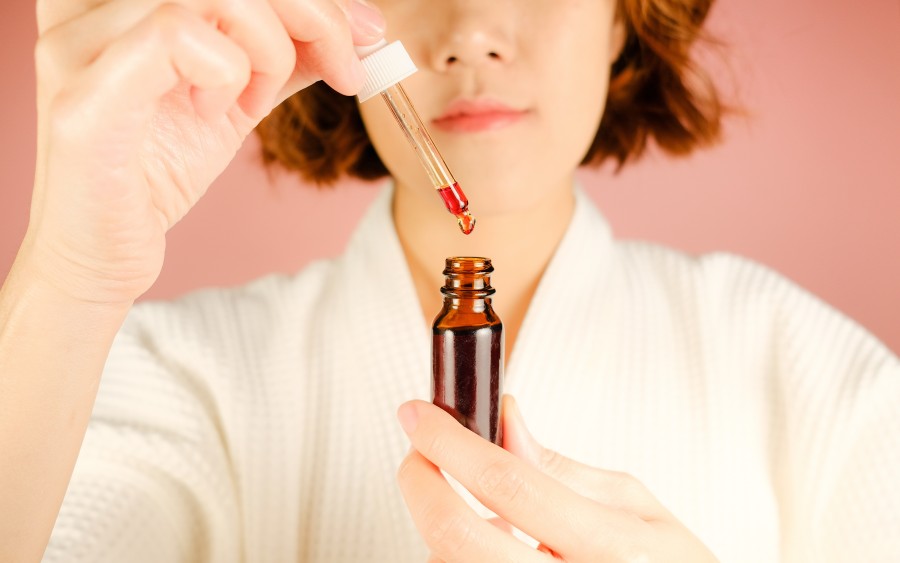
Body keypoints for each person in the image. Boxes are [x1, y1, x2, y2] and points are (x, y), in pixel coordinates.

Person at [1, 0, 897, 561]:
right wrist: (70, 275)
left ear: (627, 13)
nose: (470, 31)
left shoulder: (811, 375)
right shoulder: (177, 379)